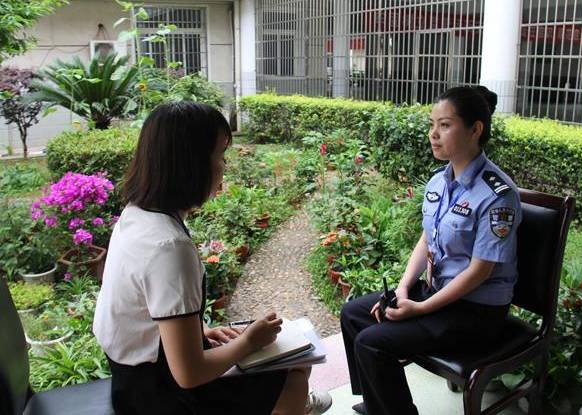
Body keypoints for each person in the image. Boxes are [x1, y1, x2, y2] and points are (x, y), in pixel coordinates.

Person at [93, 102, 332, 415]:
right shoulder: (170, 247)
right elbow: (189, 374)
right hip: (161, 397)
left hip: (132, 379)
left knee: (273, 361)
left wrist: (197, 334)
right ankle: (295, 403)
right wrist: (250, 340)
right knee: (296, 371)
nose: (224, 166)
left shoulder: (136, 216)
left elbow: (136, 313)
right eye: (220, 155)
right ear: (192, 164)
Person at [340, 86, 522, 415]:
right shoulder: (440, 182)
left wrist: (420, 310)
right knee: (353, 314)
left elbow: (481, 271)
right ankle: (377, 404)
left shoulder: (497, 195)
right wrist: (404, 287)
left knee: (372, 342)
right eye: (431, 124)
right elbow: (426, 240)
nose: (433, 134)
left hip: (475, 312)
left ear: (475, 129)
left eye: (445, 125)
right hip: (439, 294)